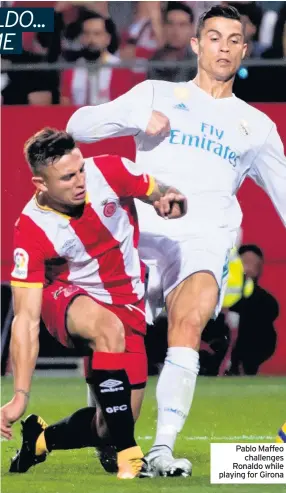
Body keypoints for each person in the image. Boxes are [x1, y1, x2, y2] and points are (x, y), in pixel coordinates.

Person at [66, 4, 286, 477]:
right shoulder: (155, 93)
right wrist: (136, 123)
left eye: (234, 39)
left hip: (204, 240)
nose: (224, 47)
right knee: (116, 365)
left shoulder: (259, 127)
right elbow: (78, 126)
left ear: (245, 49)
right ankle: (108, 431)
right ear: (196, 44)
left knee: (187, 323)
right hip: (141, 239)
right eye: (214, 37)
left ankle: (163, 451)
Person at [0, 127, 187, 479]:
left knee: (108, 426)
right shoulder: (30, 229)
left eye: (81, 169)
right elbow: (25, 319)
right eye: (68, 177)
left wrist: (170, 199)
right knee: (107, 329)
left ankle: (40, 440)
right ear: (41, 185)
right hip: (67, 300)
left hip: (129, 305)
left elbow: (160, 191)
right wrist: (20, 393)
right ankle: (131, 458)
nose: (81, 181)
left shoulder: (111, 171)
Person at [228, 244, 278, 375]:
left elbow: (272, 311)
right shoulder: (223, 294)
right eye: (245, 262)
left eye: (254, 264)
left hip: (251, 347)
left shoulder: (264, 300)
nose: (249, 268)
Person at [148, 2, 196, 83]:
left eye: (182, 25)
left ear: (192, 29)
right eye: (170, 24)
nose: (175, 31)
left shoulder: (200, 65)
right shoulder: (151, 61)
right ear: (163, 26)